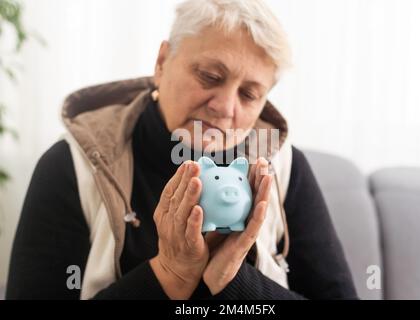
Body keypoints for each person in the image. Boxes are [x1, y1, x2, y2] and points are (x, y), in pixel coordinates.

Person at [6, 0, 357, 300]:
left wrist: (235, 281)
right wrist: (167, 276)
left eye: (249, 94)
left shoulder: (283, 168)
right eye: (209, 76)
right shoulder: (74, 164)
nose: (224, 107)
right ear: (162, 62)